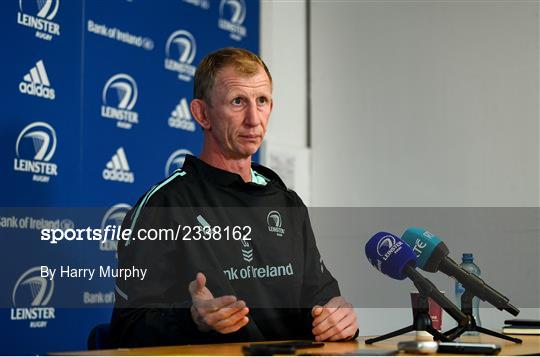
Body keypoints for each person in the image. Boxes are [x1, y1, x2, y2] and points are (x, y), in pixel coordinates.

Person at [109, 47, 358, 347]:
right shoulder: (164, 206)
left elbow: (323, 304)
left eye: (262, 101)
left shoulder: (286, 203)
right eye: (238, 102)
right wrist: (193, 321)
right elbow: (126, 329)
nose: (254, 119)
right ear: (202, 114)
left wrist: (340, 320)